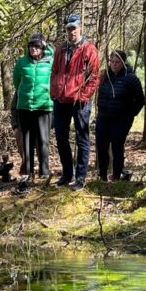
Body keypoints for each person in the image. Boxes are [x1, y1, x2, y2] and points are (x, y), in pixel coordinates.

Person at [50, 13, 100, 191]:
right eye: (68, 28)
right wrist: (54, 92)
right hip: (61, 100)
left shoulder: (89, 49)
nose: (71, 31)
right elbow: (54, 71)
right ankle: (66, 174)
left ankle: (80, 178)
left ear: (80, 27)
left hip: (79, 101)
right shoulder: (60, 49)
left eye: (74, 28)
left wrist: (84, 96)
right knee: (61, 138)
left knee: (82, 138)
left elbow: (94, 76)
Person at [13, 33, 54, 193]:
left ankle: (44, 171)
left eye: (37, 46)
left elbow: (55, 80)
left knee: (43, 141)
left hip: (44, 106)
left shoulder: (51, 62)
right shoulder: (22, 62)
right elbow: (17, 81)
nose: (33, 49)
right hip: (24, 107)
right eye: (31, 46)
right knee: (27, 140)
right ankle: (27, 171)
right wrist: (24, 94)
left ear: (42, 47)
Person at [95, 50, 144, 181]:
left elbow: (140, 100)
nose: (114, 64)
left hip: (121, 120)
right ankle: (103, 175)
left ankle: (116, 175)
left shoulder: (131, 78)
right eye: (112, 62)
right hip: (103, 117)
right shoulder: (105, 76)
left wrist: (130, 115)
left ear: (123, 63)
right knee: (101, 146)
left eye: (117, 62)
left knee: (117, 145)